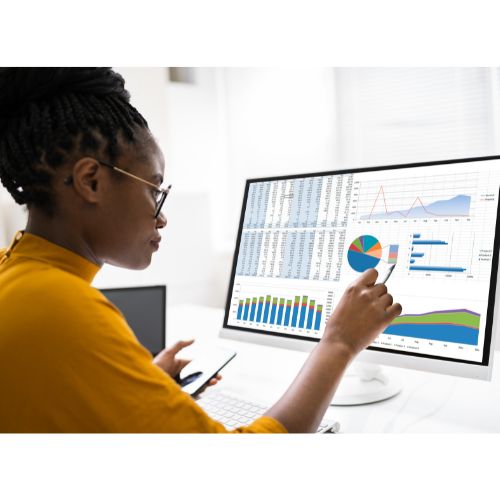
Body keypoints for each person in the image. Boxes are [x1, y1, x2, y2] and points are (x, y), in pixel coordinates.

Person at [0, 68, 402, 432]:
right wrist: (339, 342)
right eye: (154, 190)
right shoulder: (64, 308)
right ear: (91, 182)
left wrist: (136, 383)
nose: (162, 218)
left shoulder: (14, 272)